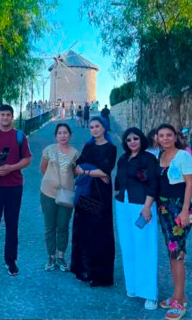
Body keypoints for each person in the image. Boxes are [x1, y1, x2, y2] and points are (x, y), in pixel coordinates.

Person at [0, 105, 32, 277]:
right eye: (2, 115)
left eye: (8, 115)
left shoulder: (19, 136)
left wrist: (11, 168)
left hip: (14, 186)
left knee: (12, 224)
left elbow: (27, 159)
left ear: (12, 117)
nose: (5, 118)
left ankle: (11, 261)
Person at [114, 127, 159, 310]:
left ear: (141, 140)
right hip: (123, 205)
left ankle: (149, 294)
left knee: (145, 247)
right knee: (128, 246)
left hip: (141, 205)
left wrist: (147, 207)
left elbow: (153, 183)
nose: (132, 142)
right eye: (128, 139)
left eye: (135, 138)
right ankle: (132, 286)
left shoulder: (148, 158)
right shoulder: (123, 159)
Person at [156, 124, 192, 320]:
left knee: (177, 254)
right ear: (157, 138)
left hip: (179, 209)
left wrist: (184, 210)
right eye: (161, 135)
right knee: (172, 253)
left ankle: (179, 303)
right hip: (164, 209)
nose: (165, 138)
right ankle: (178, 296)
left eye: (168, 135)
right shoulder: (161, 156)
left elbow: (189, 183)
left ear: (175, 137)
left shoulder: (183, 156)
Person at [71, 117, 117, 287]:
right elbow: (78, 166)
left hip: (100, 194)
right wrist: (93, 171)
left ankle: (100, 273)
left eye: (97, 126)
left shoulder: (111, 148)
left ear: (104, 128)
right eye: (91, 127)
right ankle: (84, 269)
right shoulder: (88, 146)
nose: (94, 129)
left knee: (100, 230)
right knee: (85, 229)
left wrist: (88, 171)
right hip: (86, 192)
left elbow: (106, 170)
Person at [39, 123, 79, 272]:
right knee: (50, 226)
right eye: (60, 133)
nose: (63, 136)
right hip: (48, 193)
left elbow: (75, 173)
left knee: (63, 225)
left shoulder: (75, 153)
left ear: (70, 135)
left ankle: (61, 256)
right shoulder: (48, 150)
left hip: (66, 195)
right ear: (56, 135)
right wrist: (52, 180)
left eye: (65, 133)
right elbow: (43, 168)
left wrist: (65, 182)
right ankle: (51, 256)